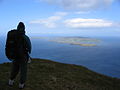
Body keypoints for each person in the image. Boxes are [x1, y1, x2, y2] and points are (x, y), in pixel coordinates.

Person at [7, 22, 32, 89]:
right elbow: (29, 48)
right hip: (23, 56)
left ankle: (10, 82)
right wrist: (28, 54)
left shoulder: (12, 35)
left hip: (15, 56)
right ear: (24, 28)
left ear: (17, 27)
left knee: (14, 69)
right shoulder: (25, 37)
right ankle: (21, 85)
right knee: (23, 70)